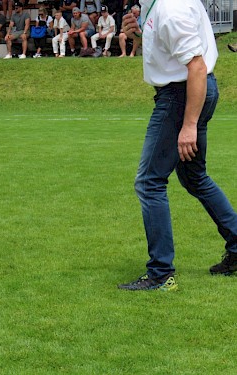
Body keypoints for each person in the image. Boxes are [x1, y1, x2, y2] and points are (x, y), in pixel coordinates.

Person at [118, 0, 237, 291]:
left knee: (149, 182)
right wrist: (137, 35)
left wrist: (188, 126)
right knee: (194, 177)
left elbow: (195, 66)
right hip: (191, 91)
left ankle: (160, 274)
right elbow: (169, 51)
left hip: (182, 95)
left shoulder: (170, 8)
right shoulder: (156, 4)